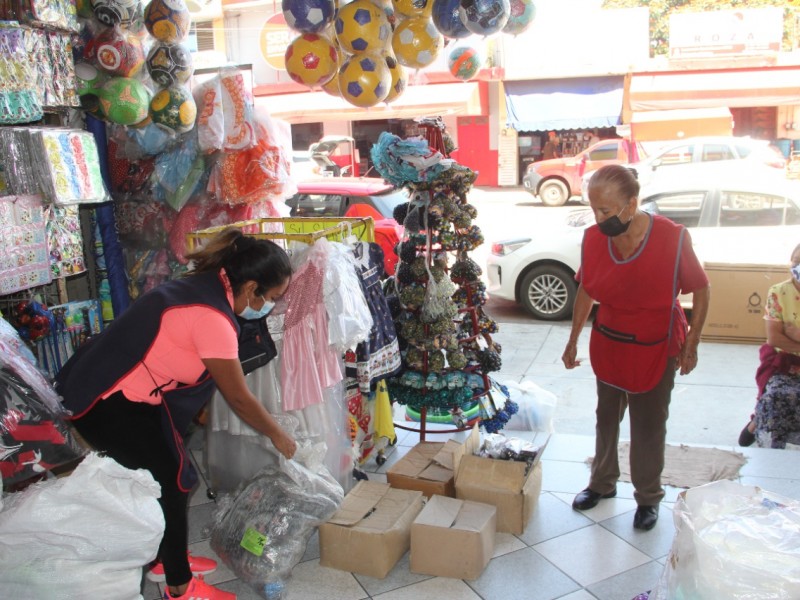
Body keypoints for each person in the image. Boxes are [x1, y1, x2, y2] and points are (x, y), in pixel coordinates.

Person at [55, 228, 297, 600]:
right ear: (251, 288)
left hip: (107, 381)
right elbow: (239, 398)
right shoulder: (213, 319)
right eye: (273, 298)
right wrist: (278, 435)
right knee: (174, 478)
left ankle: (161, 556)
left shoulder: (206, 283)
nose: (272, 306)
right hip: (107, 399)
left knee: (166, 471)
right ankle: (179, 586)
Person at [561, 165, 710, 531]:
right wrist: (573, 338)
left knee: (648, 424)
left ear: (632, 203)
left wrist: (692, 343)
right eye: (593, 209)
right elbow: (587, 289)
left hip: (657, 341)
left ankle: (647, 497)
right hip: (611, 338)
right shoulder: (594, 239)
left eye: (606, 211)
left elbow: (701, 289)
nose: (598, 219)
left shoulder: (672, 238)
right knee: (606, 416)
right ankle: (601, 483)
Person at [738, 243, 800, 448]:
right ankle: (763, 425)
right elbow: (775, 339)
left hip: (791, 354)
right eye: (798, 261)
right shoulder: (779, 292)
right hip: (785, 363)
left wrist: (796, 334)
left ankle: (756, 420)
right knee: (777, 395)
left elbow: (784, 337)